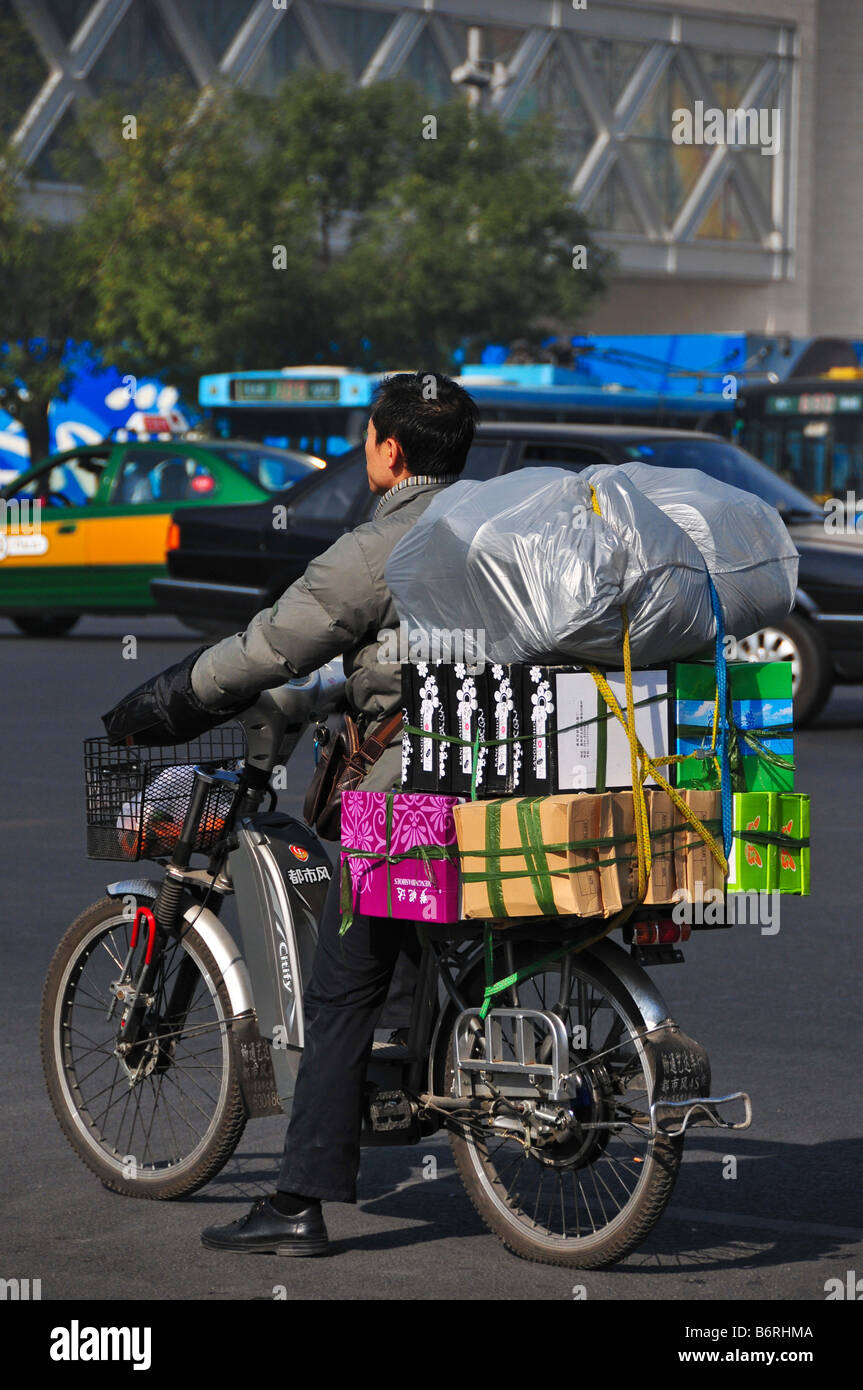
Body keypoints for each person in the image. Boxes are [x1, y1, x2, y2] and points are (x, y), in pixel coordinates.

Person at [103, 371, 479, 1256]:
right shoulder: (503, 530)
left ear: (388, 450)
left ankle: (299, 1200)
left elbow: (274, 643)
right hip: (519, 776)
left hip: (414, 796)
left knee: (343, 983)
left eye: (367, 438)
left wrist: (166, 699)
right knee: (419, 940)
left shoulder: (380, 545)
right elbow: (383, 662)